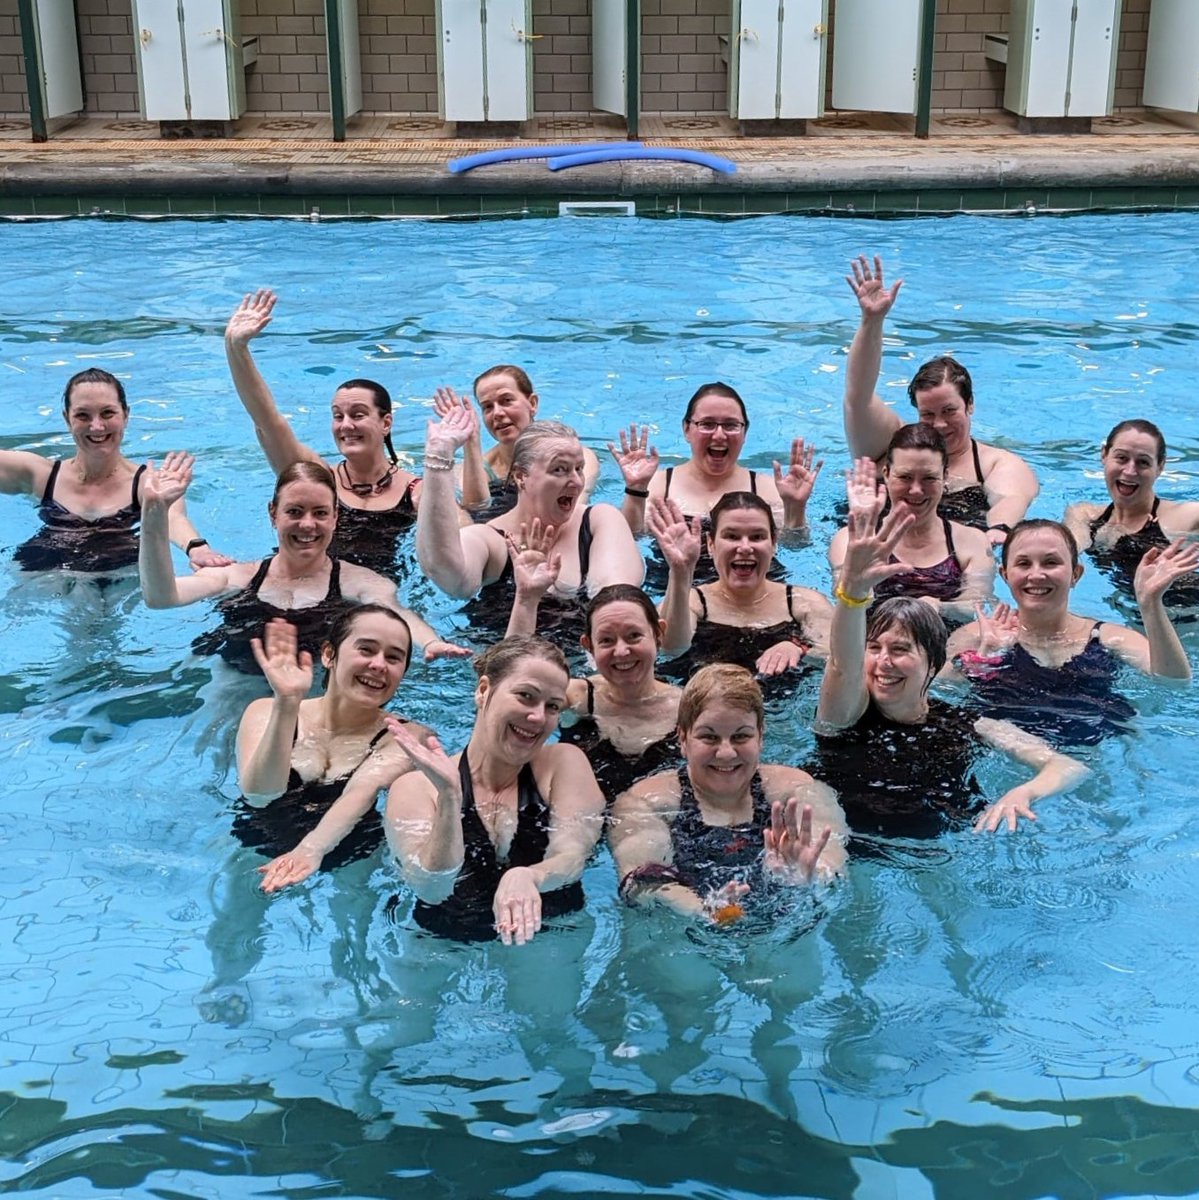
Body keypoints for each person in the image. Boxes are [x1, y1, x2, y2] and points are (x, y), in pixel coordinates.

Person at [814, 496, 1089, 835]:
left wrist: (1024, 791)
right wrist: (853, 593)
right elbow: (843, 666)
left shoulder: (966, 724)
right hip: (852, 842)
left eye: (900, 649)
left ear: (932, 665)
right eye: (873, 648)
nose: (883, 662)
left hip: (936, 845)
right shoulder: (848, 713)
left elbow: (1069, 766)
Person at [224, 289, 474, 576]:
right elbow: (267, 421)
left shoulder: (415, 492)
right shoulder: (319, 479)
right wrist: (236, 348)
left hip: (371, 604)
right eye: (337, 416)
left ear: (386, 423)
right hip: (299, 582)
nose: (345, 425)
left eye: (358, 415)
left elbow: (464, 537)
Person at [138, 455, 466, 673]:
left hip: (313, 694)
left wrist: (431, 642)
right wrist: (154, 514)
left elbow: (396, 612)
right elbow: (161, 597)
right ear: (273, 515)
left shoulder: (359, 582)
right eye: (294, 512)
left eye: (320, 513)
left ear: (336, 518)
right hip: (234, 682)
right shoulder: (237, 575)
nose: (307, 525)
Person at [384, 635, 605, 944]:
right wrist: (450, 800)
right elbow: (430, 888)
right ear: (484, 690)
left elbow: (573, 855)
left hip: (549, 932)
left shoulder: (564, 763)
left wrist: (529, 876)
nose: (538, 717)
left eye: (553, 706)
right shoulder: (416, 788)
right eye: (526, 696)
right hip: (443, 939)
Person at [609, 663, 847, 923]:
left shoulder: (794, 791)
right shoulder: (648, 804)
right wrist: (706, 911)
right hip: (690, 938)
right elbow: (640, 884)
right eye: (709, 738)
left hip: (782, 929)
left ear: (761, 738)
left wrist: (808, 876)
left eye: (741, 737)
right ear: (683, 739)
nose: (726, 753)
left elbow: (833, 861)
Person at [946, 519, 1199, 746]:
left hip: (1099, 753)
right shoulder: (976, 636)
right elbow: (933, 690)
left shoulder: (1108, 637)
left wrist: (1150, 604)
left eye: (1051, 562)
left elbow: (1173, 681)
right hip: (1010, 752)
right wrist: (986, 656)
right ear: (1005, 575)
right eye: (1023, 563)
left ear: (1076, 574)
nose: (1036, 574)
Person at [842, 254, 1039, 543]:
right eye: (927, 415)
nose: (940, 425)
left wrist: (995, 532)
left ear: (970, 405)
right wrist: (872, 321)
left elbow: (1011, 499)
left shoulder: (993, 465)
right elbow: (857, 397)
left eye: (949, 411)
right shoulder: (891, 444)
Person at [415, 407, 644, 649]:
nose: (576, 481)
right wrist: (437, 459)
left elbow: (616, 608)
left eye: (578, 468)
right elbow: (449, 577)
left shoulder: (597, 521)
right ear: (520, 476)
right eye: (560, 469)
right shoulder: (491, 540)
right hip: (500, 665)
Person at [235, 607, 429, 891]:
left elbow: (362, 790)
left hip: (352, 854)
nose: (379, 665)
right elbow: (259, 795)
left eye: (393, 657)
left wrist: (311, 849)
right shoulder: (264, 711)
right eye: (366, 649)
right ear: (328, 655)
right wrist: (286, 704)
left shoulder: (406, 736)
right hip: (254, 839)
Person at [1, 367, 227, 574]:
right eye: (82, 415)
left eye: (108, 413)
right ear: (67, 419)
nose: (97, 426)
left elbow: (172, 517)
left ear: (126, 415)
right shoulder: (39, 475)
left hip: (116, 572)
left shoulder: (148, 483)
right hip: (42, 568)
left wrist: (198, 549)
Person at [611, 384, 821, 584]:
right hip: (670, 587)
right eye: (707, 424)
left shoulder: (768, 489)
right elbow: (631, 540)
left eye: (730, 425)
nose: (719, 435)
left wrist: (795, 507)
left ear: (744, 432)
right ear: (686, 429)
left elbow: (796, 547)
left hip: (753, 592)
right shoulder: (658, 485)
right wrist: (636, 490)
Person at [506, 562, 681, 800]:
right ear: (588, 646)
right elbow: (511, 689)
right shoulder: (577, 696)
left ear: (658, 634)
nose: (621, 651)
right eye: (607, 640)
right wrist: (526, 600)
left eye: (634, 636)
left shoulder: (686, 707)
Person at [649, 490, 832, 679]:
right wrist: (680, 572)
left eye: (757, 537)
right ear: (711, 545)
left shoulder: (803, 602)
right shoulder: (692, 602)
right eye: (732, 536)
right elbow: (670, 649)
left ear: (774, 544)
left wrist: (798, 648)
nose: (745, 547)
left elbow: (838, 656)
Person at [829, 430, 994, 622]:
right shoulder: (850, 540)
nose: (916, 490)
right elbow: (842, 602)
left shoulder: (972, 541)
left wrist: (938, 607)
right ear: (887, 474)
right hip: (872, 645)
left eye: (929, 478)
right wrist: (861, 578)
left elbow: (977, 607)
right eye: (905, 477)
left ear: (945, 477)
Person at [1063, 418, 1199, 598]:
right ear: (1104, 455)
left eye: (1143, 462)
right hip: (1133, 617)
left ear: (1160, 466)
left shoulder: (1184, 516)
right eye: (1121, 458)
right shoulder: (1085, 516)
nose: (1129, 471)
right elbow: (1065, 553)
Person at [453, 364, 601, 521]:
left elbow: (572, 514)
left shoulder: (577, 457)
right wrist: (471, 442)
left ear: (533, 403)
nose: (497, 413)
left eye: (506, 400)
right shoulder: (474, 468)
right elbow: (476, 511)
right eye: (487, 407)